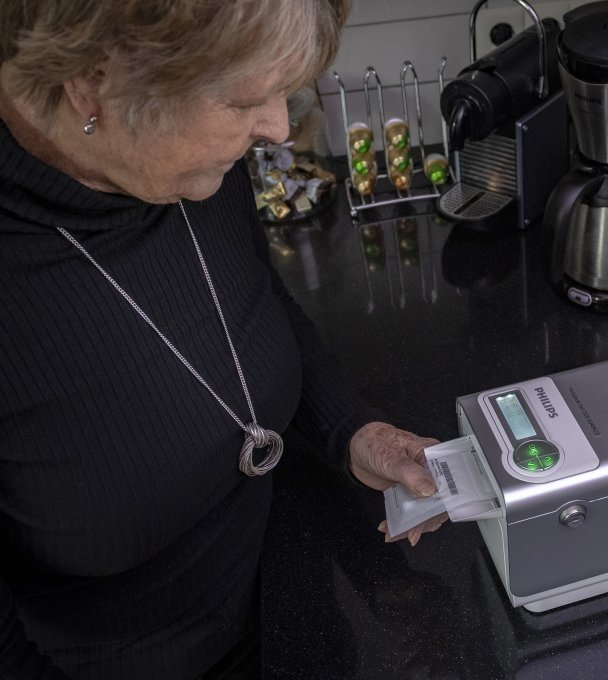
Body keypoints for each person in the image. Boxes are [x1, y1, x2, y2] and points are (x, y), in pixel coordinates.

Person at [0, 1, 447, 678]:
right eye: (243, 102)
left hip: (297, 606)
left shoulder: (184, 163)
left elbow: (253, 300)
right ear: (93, 83)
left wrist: (353, 430)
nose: (276, 129)